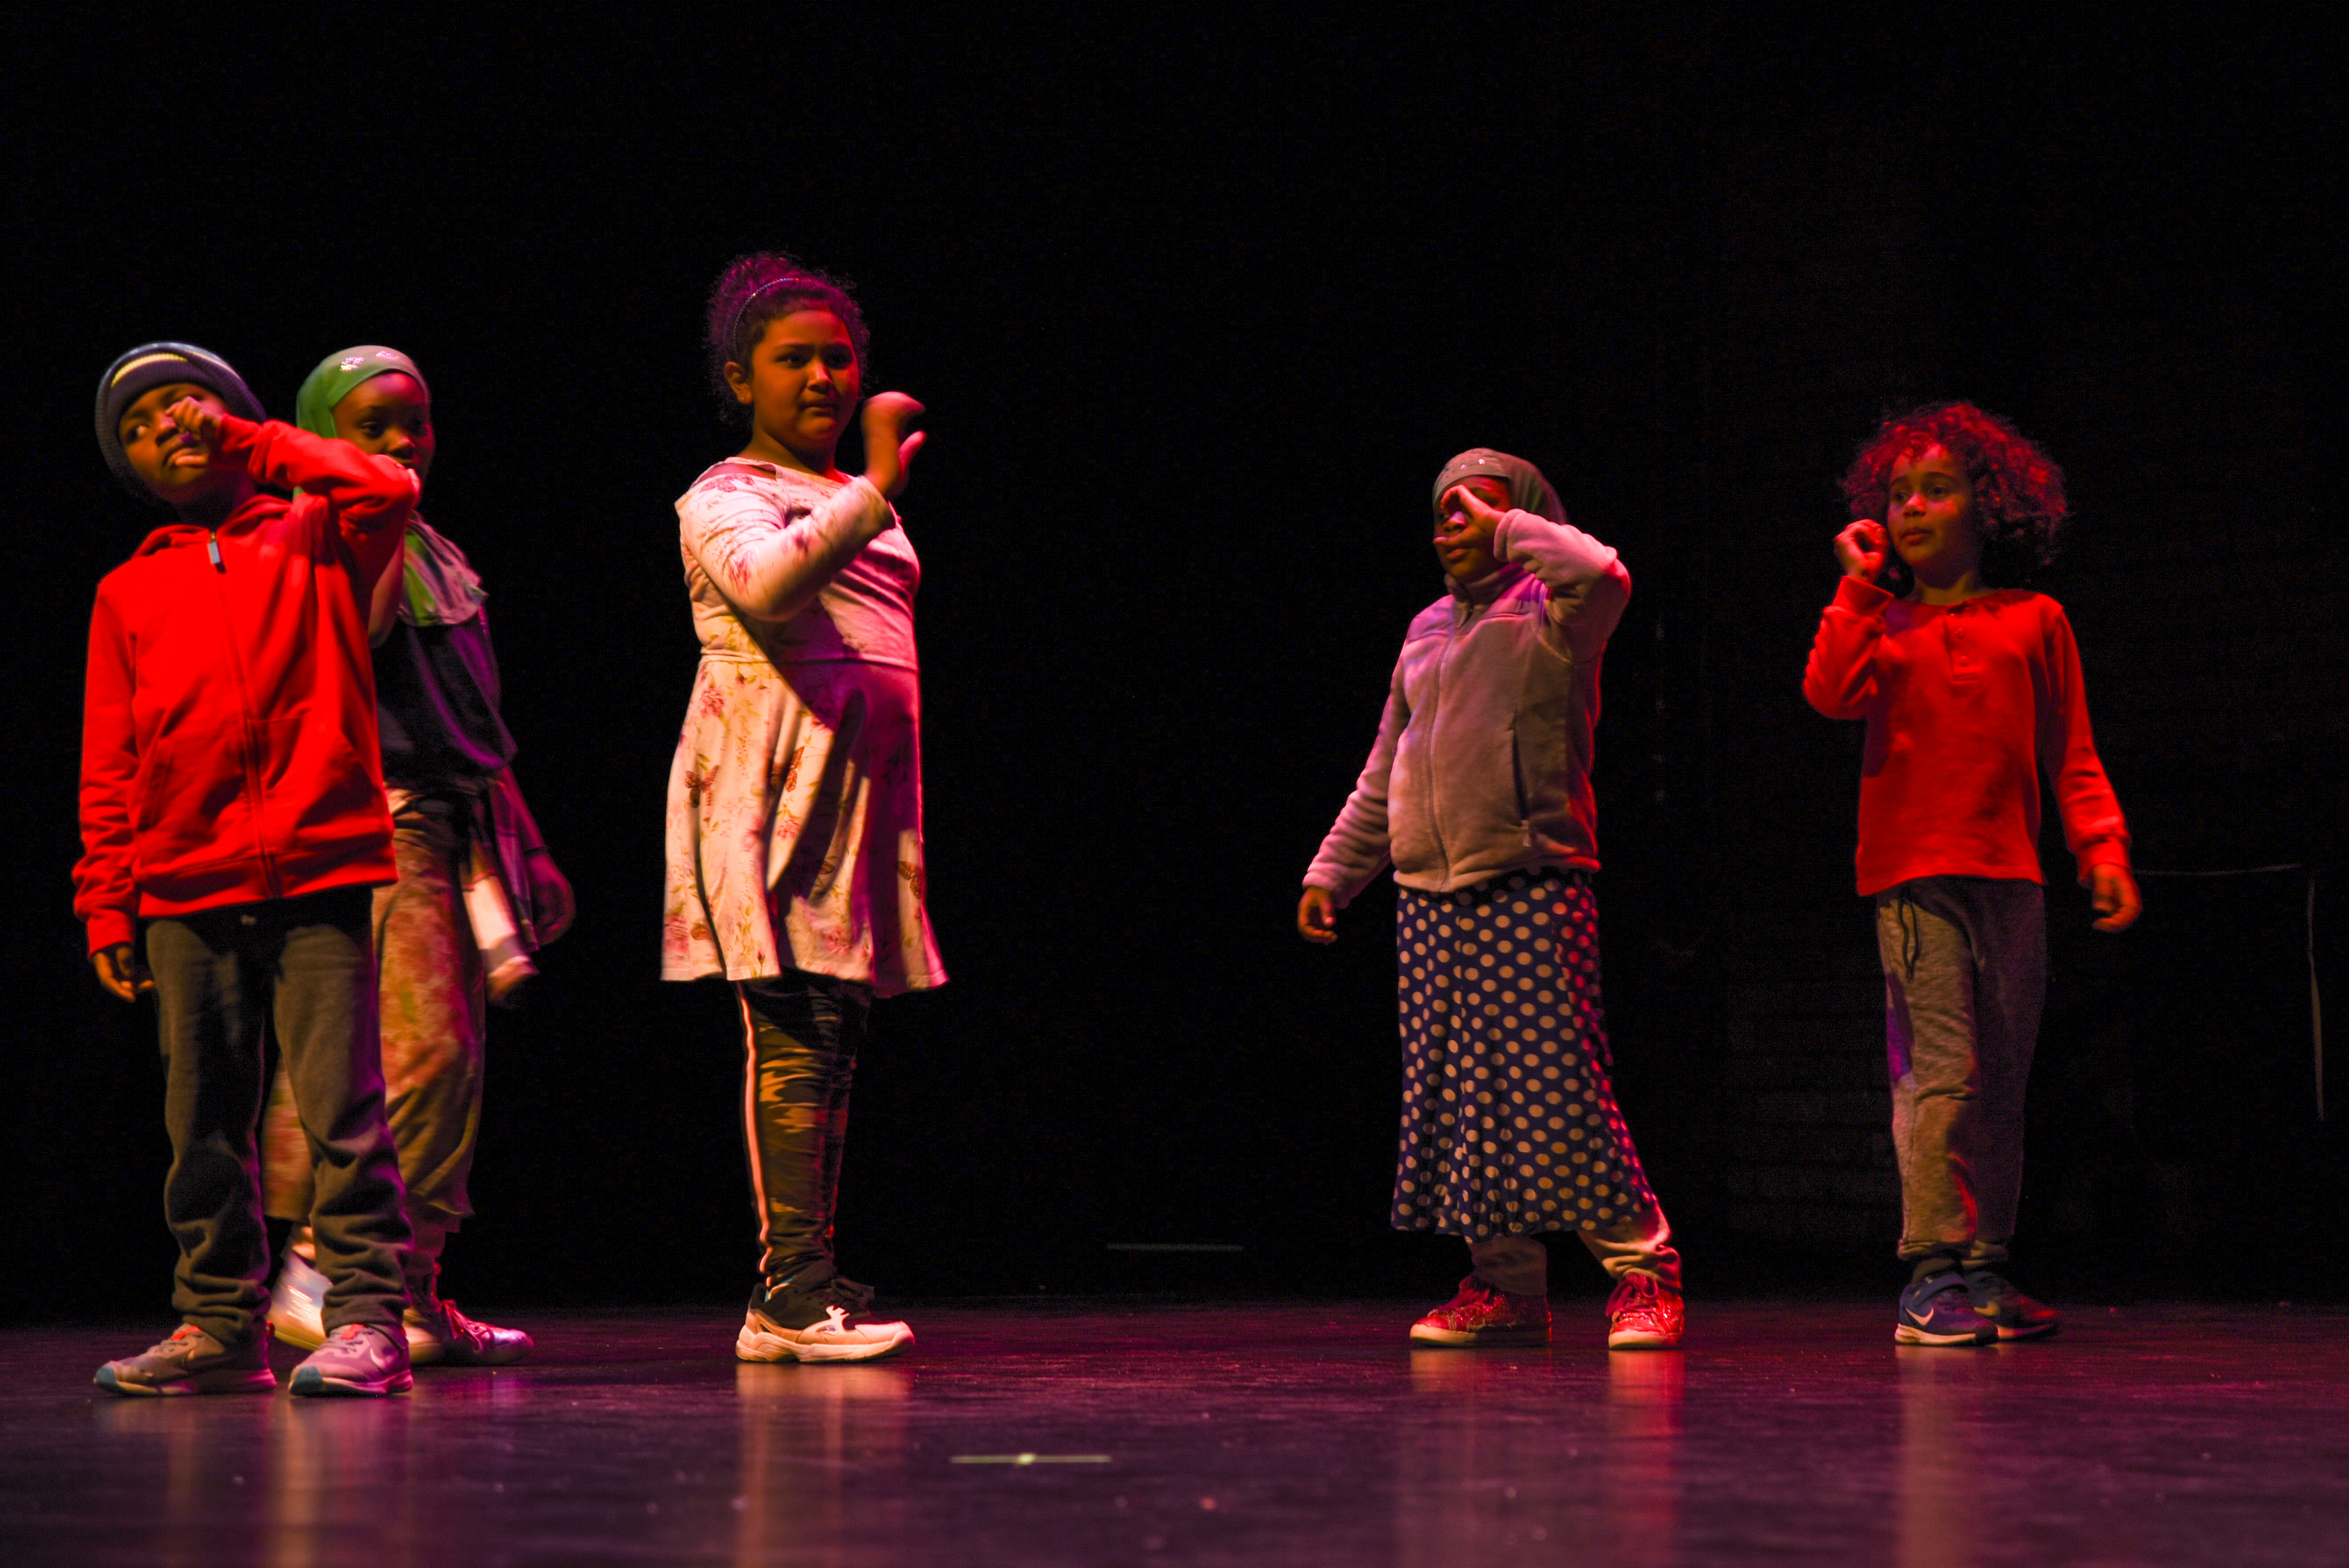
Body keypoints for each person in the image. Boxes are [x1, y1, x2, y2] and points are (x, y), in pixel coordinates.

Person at [79, 343, 418, 1396]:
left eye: (185, 405)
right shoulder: (127, 589)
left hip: (318, 868)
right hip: (185, 884)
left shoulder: (317, 534)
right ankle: (221, 1324)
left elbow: (389, 486)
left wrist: (254, 441)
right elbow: (111, 760)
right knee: (204, 1127)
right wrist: (107, 903)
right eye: (139, 427)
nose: (167, 428)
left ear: (232, 415)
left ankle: (368, 1319)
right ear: (130, 468)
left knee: (343, 1113)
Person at [1300, 449, 1685, 1351]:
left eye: (1480, 506)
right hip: (1428, 898)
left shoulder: (1557, 613)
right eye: (1446, 509)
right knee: (1463, 1102)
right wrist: (1333, 871)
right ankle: (1507, 1287)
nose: (1458, 522)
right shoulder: (1426, 628)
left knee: (1560, 1090)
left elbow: (1604, 572)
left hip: (1531, 880)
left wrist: (1510, 525)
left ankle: (1643, 1274)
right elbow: (1385, 767)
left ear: (1524, 516)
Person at [258, 345, 572, 1368]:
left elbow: (464, 720)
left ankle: (412, 1288)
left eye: (417, 421)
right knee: (410, 1056)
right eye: (373, 427)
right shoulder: (315, 540)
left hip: (452, 821)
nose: (403, 442)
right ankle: (324, 1273)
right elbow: (352, 642)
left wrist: (522, 842)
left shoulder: (438, 550)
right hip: (379, 823)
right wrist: (374, 513)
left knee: (449, 1065)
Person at [1802, 402, 2141, 1346]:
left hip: (2011, 880)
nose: (1911, 507)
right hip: (1917, 880)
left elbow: (2072, 753)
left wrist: (2102, 848)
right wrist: (1857, 589)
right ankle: (1932, 1270)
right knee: (1942, 1075)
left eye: (1937, 490)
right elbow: (1829, 694)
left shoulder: (2036, 620)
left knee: (2001, 1078)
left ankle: (1986, 1263)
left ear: (1986, 507)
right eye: (1897, 493)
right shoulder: (1881, 622)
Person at [665, 253, 939, 1363]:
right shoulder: (724, 494)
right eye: (794, 360)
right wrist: (876, 484)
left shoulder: (848, 499)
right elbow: (769, 587)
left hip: (855, 798)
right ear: (741, 379)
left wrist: (863, 493)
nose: (823, 377)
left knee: (834, 1035)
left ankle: (811, 1270)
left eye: (839, 358)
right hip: (771, 790)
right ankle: (786, 1295)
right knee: (790, 1034)